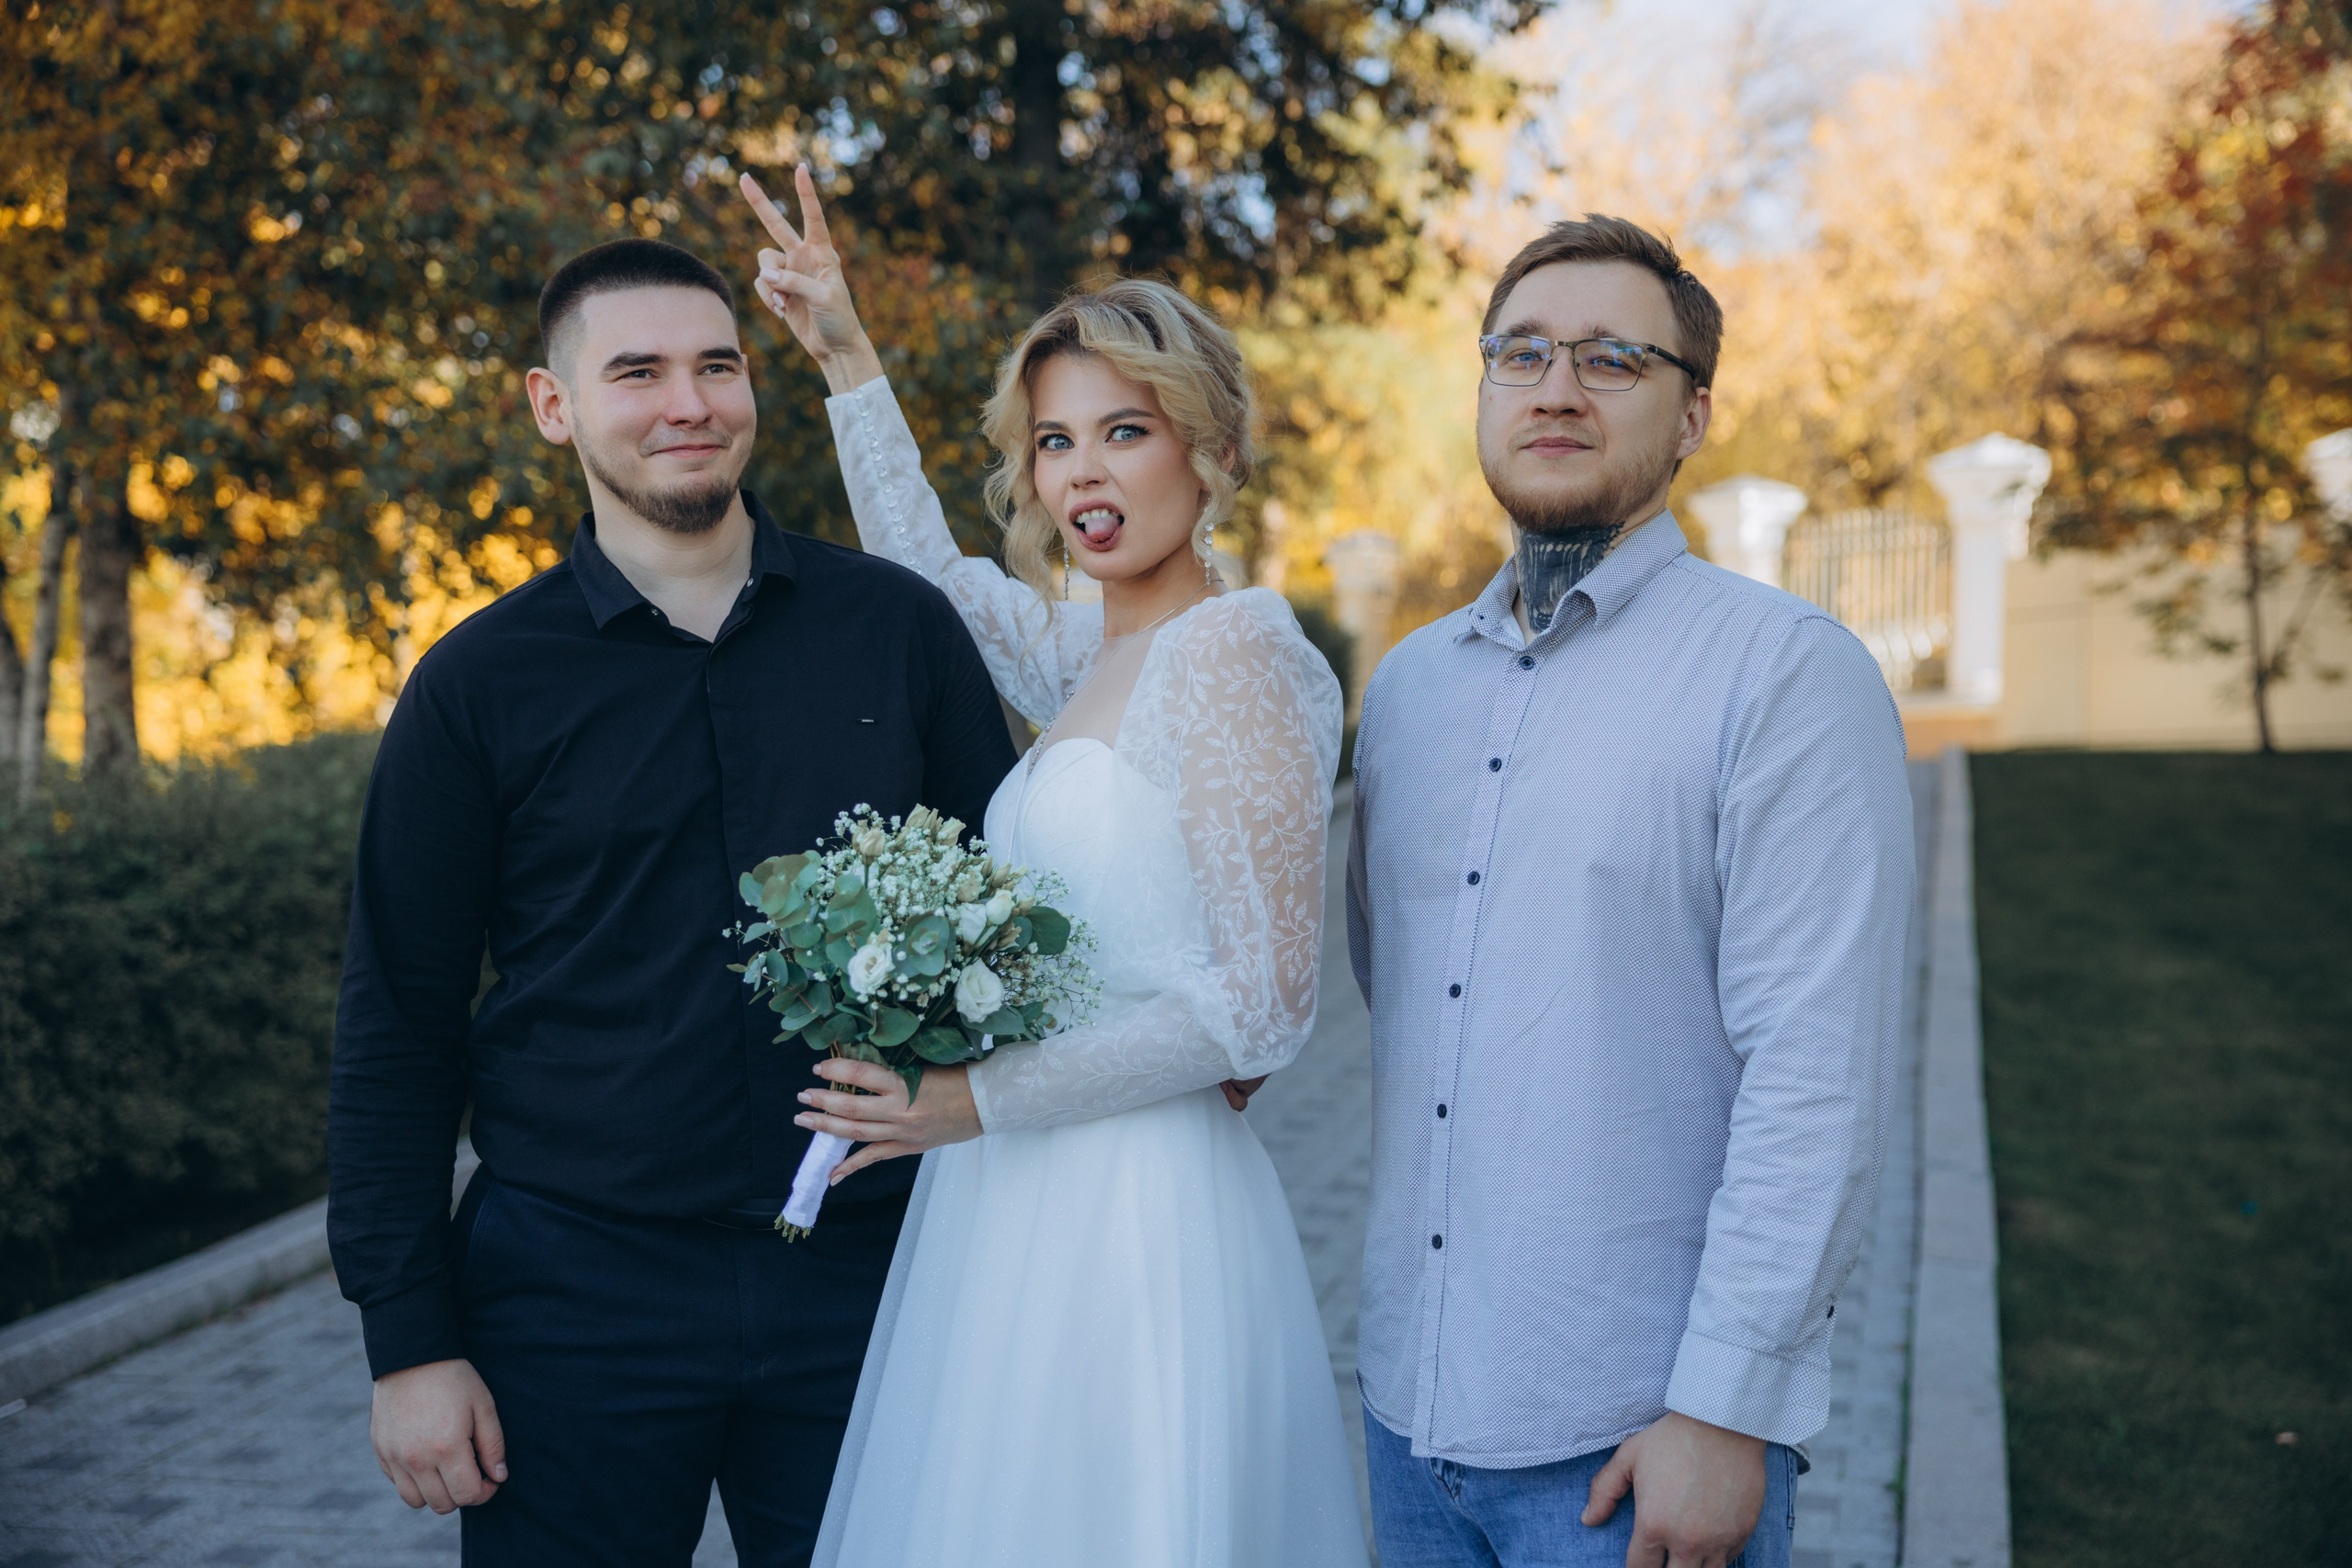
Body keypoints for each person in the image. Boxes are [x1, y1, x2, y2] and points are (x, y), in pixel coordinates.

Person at [328, 236, 1018, 1564]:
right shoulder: (477, 684)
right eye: (637, 372)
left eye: (718, 365)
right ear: (554, 405)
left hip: (873, 1279)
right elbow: (398, 1020)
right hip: (570, 1297)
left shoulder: (897, 631)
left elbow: (1007, 922)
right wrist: (408, 1342)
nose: (688, 403)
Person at [735, 165, 1368, 1568]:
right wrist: (846, 358)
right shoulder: (1093, 653)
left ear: (1210, 448)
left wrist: (972, 1100)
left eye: (1124, 431)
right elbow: (929, 581)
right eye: (1055, 440)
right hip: (1010, 1202)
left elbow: (1265, 1008)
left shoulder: (1241, 655)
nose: (1082, 472)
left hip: (1140, 1206)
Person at [1346, 217, 1916, 1568]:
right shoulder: (1409, 691)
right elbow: (1406, 999)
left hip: (1631, 1449)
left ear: (1693, 414)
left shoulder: (1784, 673)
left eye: (1612, 359)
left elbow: (1815, 1073)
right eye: (1522, 353)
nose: (1556, 388)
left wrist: (1726, 1409)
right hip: (1407, 1416)